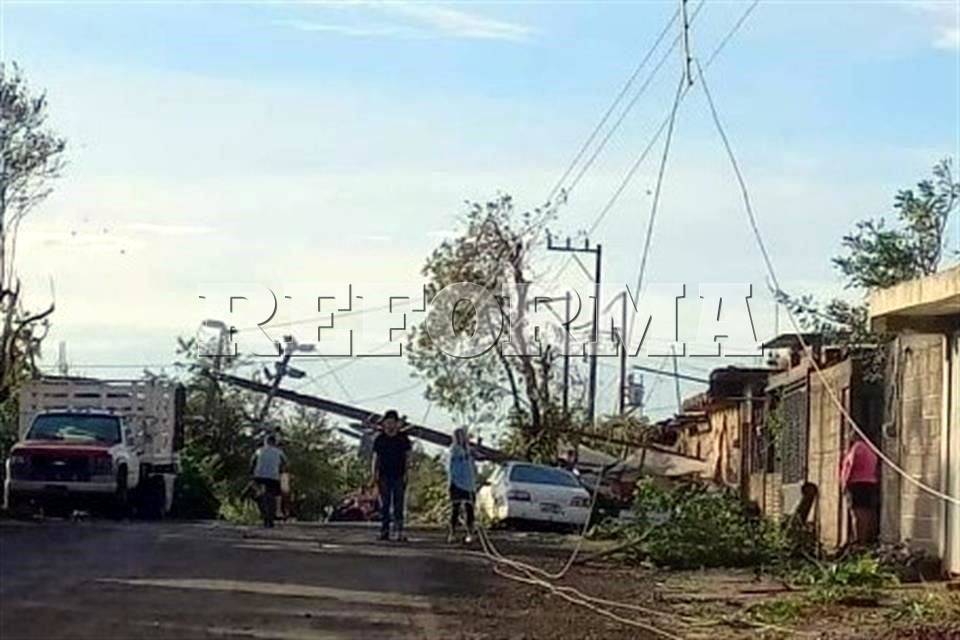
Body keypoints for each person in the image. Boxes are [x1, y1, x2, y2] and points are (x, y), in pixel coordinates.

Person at [372, 410, 412, 541]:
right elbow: (375, 458)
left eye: (392, 422)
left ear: (397, 423)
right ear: (384, 424)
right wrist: (374, 474)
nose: (389, 425)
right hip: (384, 475)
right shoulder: (380, 439)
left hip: (399, 475)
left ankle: (399, 531)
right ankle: (384, 531)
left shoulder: (403, 439)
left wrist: (407, 472)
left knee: (398, 504)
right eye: (387, 422)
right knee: (385, 504)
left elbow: (407, 457)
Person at [840, 431, 880, 546]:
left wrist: (844, 483)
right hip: (870, 483)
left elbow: (850, 467)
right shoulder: (871, 449)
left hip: (856, 483)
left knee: (856, 513)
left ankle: (858, 539)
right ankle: (866, 539)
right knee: (867, 512)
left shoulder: (857, 448)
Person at [447, 427, 477, 544]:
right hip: (457, 483)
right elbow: (453, 465)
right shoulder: (454, 449)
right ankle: (452, 533)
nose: (461, 438)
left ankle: (470, 533)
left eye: (463, 436)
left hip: (469, 484)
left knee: (469, 509)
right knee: (456, 508)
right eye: (458, 436)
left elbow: (473, 466)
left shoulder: (469, 451)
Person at [251, 434, 287, 528]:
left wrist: (251, 473)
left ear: (265, 442)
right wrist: (282, 472)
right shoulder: (279, 452)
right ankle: (275, 513)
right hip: (273, 477)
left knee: (255, 492)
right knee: (276, 494)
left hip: (259, 476)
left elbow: (252, 462)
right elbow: (285, 463)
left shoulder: (259, 451)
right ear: (275, 443)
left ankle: (259, 499)